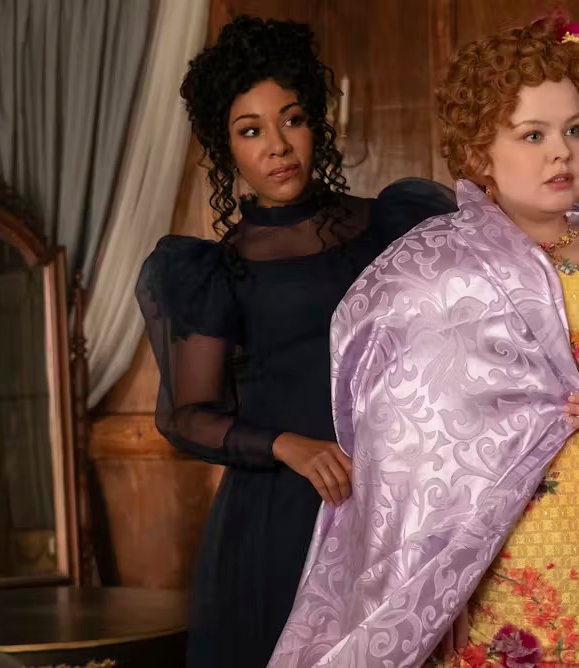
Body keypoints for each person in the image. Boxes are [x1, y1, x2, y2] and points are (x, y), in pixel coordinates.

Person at [270, 15, 579, 667]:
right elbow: (406, 441)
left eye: (575, 129)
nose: (562, 152)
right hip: (497, 572)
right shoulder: (442, 275)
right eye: (533, 135)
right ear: (478, 154)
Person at [134, 16, 461, 668]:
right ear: (226, 147)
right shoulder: (214, 271)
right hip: (277, 517)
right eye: (251, 130)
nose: (278, 146)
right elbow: (186, 415)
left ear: (317, 122)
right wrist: (285, 444)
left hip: (396, 505)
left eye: (292, 119)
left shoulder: (394, 226)